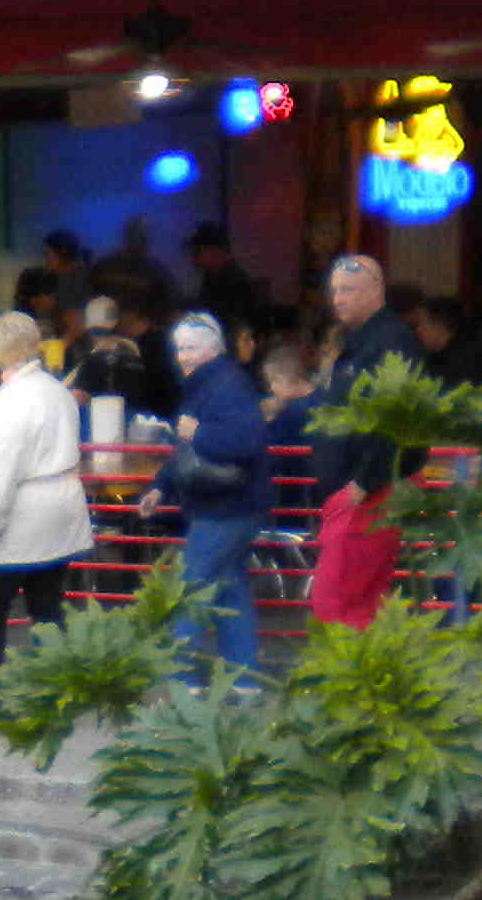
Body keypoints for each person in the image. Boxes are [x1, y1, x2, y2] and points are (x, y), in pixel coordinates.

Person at [0, 309, 93, 724]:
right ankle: (55, 696)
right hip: (62, 510)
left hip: (22, 518)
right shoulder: (57, 391)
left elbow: (0, 477)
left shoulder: (10, 403)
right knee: (47, 609)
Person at [299, 252, 421, 630]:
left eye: (349, 290)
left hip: (368, 493)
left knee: (335, 603)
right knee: (360, 603)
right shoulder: (367, 341)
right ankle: (363, 668)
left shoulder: (390, 342)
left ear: (376, 290)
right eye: (335, 291)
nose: (338, 299)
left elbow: (397, 419)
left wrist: (363, 483)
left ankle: (344, 668)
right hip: (361, 491)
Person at [160, 309, 271, 680]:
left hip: (224, 509)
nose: (182, 356)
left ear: (213, 350)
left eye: (190, 348)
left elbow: (245, 443)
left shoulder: (224, 386)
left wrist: (198, 434)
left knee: (189, 590)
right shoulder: (221, 382)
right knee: (229, 591)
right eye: (179, 348)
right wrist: (160, 487)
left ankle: (182, 681)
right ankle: (245, 680)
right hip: (235, 506)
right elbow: (189, 449)